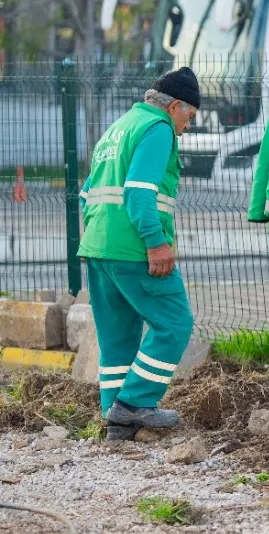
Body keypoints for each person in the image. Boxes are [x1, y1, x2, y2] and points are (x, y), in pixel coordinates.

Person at [78, 68, 201, 441]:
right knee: (174, 323)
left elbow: (85, 193)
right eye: (189, 117)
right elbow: (139, 191)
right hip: (134, 249)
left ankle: (116, 420)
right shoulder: (158, 128)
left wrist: (103, 234)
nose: (187, 127)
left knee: (117, 337)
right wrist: (155, 242)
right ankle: (135, 403)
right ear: (174, 106)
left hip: (99, 247)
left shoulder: (120, 127)